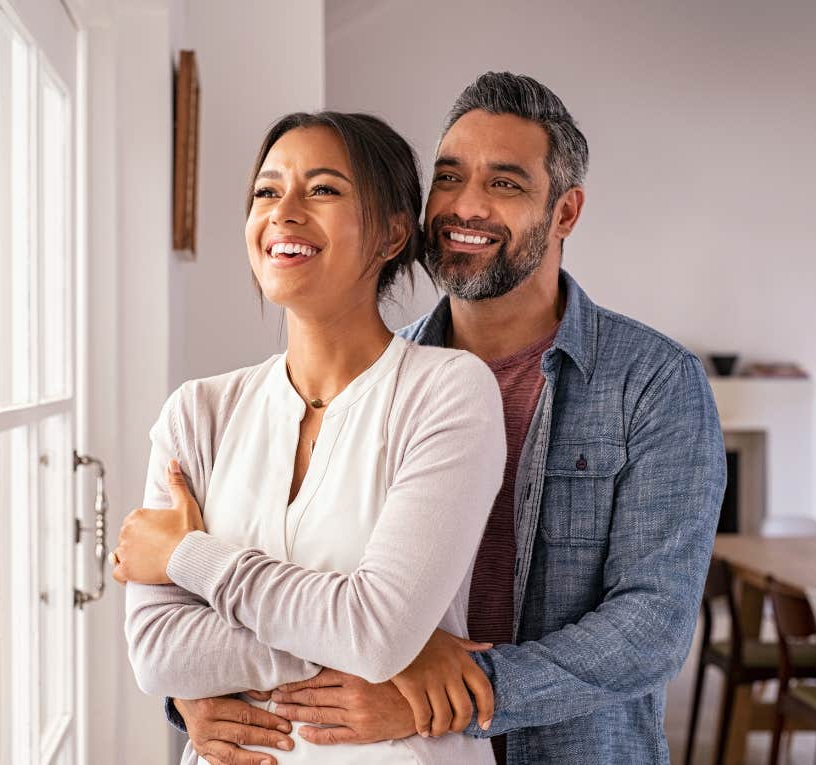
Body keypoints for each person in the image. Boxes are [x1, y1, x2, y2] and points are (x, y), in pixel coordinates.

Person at [169, 72, 727, 765]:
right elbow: (303, 577)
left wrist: (456, 691)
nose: (466, 206)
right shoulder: (373, 378)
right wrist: (193, 689)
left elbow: (652, 625)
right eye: (449, 176)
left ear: (565, 213)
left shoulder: (651, 382)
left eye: (505, 183)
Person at [115, 111, 507, 764]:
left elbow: (377, 630)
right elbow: (157, 652)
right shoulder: (197, 413)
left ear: (390, 234)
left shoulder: (447, 392)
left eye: (323, 189)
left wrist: (188, 554)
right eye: (267, 192)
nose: (284, 212)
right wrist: (379, 639)